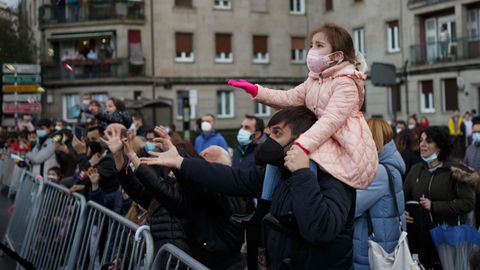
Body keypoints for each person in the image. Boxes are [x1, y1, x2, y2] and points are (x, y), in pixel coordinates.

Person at [141, 106, 357, 269]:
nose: (269, 141)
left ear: (303, 139)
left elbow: (319, 229)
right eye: (269, 133)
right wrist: (181, 162)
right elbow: (231, 178)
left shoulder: (335, 177)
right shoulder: (279, 172)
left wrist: (302, 173)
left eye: (277, 133)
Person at [228, 23, 377, 204]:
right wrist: (257, 91)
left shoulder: (346, 83)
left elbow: (330, 121)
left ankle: (304, 205)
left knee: (305, 157)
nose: (312, 50)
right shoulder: (314, 80)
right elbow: (288, 98)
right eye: (312, 45)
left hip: (342, 143)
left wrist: (302, 145)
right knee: (278, 154)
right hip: (320, 137)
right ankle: (264, 207)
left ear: (337, 55)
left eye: (319, 45)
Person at [404, 126, 477, 269]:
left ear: (440, 147)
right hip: (421, 237)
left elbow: (468, 203)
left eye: (428, 141)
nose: (422, 145)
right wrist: (403, 211)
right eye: (421, 141)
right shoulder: (416, 170)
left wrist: (435, 206)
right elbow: (403, 197)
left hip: (448, 237)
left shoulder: (456, 171)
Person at [353, 118, 406, 270]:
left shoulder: (379, 172)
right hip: (386, 244)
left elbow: (351, 207)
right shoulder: (391, 165)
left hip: (372, 252)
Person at [464, 119, 480, 228]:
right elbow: (465, 166)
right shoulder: (469, 149)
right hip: (472, 190)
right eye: (474, 132)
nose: (476, 134)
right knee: (473, 217)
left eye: (479, 132)